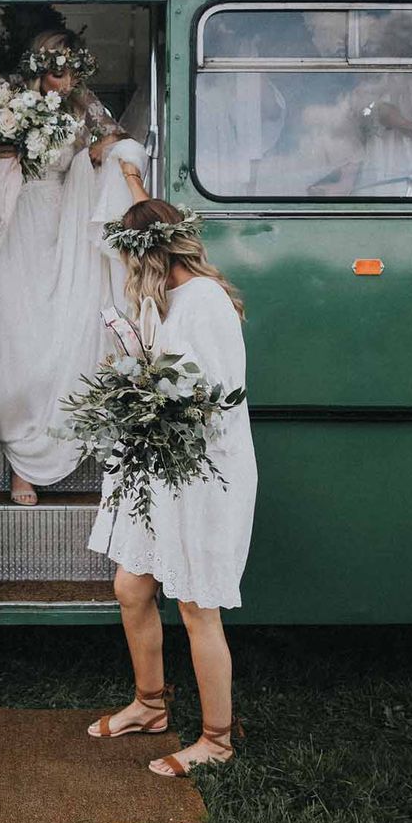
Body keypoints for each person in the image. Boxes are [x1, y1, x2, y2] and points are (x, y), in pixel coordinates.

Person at [85, 199, 257, 777]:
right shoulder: (170, 302)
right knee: (131, 586)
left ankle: (216, 740)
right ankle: (150, 706)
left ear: (147, 253)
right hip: (165, 470)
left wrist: (149, 404)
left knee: (196, 605)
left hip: (204, 475)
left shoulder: (204, 302)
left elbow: (213, 399)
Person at [0, 29, 150, 505]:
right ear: (39, 66)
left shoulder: (81, 106)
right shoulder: (7, 102)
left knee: (62, 329)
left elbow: (118, 139)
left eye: (69, 71)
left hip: (62, 227)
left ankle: (64, 431)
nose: (62, 80)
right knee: (19, 334)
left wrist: (103, 146)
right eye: (55, 69)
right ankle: (21, 460)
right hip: (18, 224)